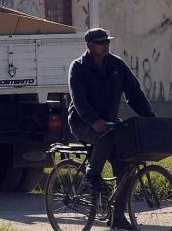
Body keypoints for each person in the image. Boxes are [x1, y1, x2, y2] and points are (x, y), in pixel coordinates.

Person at [68, 27, 155, 227]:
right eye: (101, 43)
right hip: (82, 122)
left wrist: (149, 116)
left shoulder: (117, 65)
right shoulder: (78, 67)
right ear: (90, 46)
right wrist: (93, 120)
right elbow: (78, 99)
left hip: (108, 121)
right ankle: (92, 175)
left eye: (107, 42)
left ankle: (117, 217)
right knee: (104, 137)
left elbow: (134, 93)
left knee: (125, 164)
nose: (106, 45)